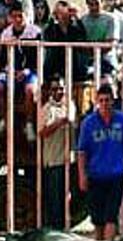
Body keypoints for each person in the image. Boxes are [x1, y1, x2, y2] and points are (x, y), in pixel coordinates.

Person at [77, 83, 123, 241]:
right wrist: (82, 175)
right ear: (97, 101)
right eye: (101, 100)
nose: (104, 104)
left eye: (107, 100)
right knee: (97, 217)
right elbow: (82, 152)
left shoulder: (122, 120)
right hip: (95, 174)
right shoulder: (88, 123)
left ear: (113, 100)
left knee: (111, 215)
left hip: (115, 174)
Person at [0, 1, 42, 141]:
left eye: (21, 16)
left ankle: (29, 124)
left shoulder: (35, 32)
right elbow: (2, 59)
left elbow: (38, 59)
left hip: (30, 71)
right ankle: (4, 121)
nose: (18, 19)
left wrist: (25, 72)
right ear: (10, 17)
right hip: (10, 71)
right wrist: (9, 71)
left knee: (30, 90)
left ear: (26, 15)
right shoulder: (6, 33)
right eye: (14, 16)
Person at [40, 77, 77, 228]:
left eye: (61, 88)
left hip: (68, 160)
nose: (59, 92)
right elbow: (42, 132)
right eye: (55, 89)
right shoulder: (47, 109)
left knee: (66, 199)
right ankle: (55, 230)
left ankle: (64, 228)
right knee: (54, 201)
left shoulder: (69, 105)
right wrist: (60, 122)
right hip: (53, 160)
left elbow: (73, 121)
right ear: (50, 91)